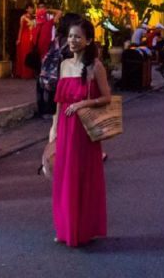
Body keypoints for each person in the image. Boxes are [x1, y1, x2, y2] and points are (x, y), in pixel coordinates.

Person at [49, 18, 110, 246]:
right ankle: (65, 228)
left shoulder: (95, 66)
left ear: (88, 40)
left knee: (80, 178)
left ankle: (82, 229)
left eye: (77, 37)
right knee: (63, 178)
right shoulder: (64, 65)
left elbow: (106, 97)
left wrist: (84, 104)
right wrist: (53, 127)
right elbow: (59, 100)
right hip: (64, 129)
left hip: (83, 131)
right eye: (70, 36)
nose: (72, 41)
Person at [38, 13, 81, 118]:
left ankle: (50, 112)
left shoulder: (57, 39)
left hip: (53, 75)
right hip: (64, 77)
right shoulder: (70, 41)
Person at [14, 4, 36, 79]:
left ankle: (30, 73)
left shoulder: (34, 17)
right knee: (24, 54)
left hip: (31, 37)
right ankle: (24, 73)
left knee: (30, 54)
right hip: (24, 37)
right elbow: (21, 28)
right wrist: (19, 39)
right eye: (30, 8)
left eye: (32, 8)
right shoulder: (23, 17)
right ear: (26, 9)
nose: (31, 10)